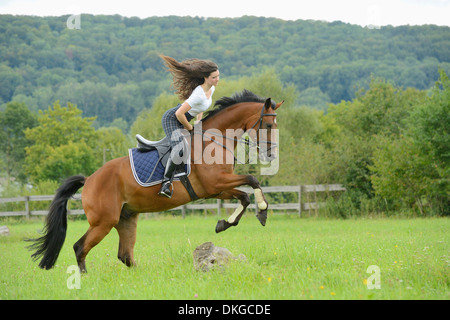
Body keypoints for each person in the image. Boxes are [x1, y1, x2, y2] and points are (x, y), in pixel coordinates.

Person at [158, 55, 220, 198]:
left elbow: (201, 107)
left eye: (218, 76)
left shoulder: (211, 89)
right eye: (214, 77)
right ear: (206, 77)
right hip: (172, 119)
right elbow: (180, 114)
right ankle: (165, 184)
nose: (217, 80)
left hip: (185, 119)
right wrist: (190, 128)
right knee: (180, 148)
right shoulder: (198, 93)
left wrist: (198, 121)